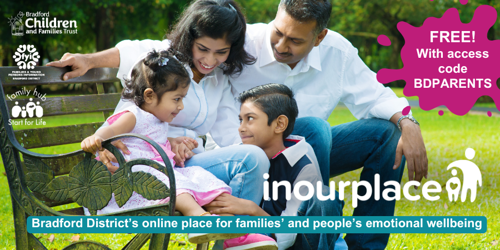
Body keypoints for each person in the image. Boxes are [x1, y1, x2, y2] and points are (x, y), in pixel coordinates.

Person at [49, 0, 429, 248]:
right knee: (308, 133)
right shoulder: (219, 47)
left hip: (291, 155)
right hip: (199, 158)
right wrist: (89, 58)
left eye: (295, 40)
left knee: (363, 133)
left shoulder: (333, 52)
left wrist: (408, 122)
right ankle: (308, 234)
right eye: (278, 32)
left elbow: (375, 95)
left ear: (319, 37)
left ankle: (348, 240)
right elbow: (143, 51)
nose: (280, 44)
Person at [48, 0, 271, 212]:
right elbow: (128, 52)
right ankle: (238, 235)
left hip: (189, 162)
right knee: (252, 159)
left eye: (221, 52)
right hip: (152, 162)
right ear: (189, 38)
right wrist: (88, 60)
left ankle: (237, 234)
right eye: (202, 48)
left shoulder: (219, 78)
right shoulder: (163, 64)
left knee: (254, 156)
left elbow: (228, 133)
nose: (210, 60)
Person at [80, 50, 277, 248]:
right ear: (149, 96)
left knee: (203, 180)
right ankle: (197, 218)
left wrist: (172, 140)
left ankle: (233, 235)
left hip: (157, 174)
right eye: (177, 99)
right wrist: (96, 139)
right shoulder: (132, 115)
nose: (181, 106)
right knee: (176, 184)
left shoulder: (157, 119)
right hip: (133, 183)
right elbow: (109, 130)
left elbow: (148, 140)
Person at [206, 83, 346, 250]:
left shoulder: (301, 161)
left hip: (298, 243)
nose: (241, 128)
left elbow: (286, 236)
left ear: (279, 124)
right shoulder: (239, 157)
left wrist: (251, 209)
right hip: (253, 240)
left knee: (324, 196)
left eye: (250, 119)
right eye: (240, 120)